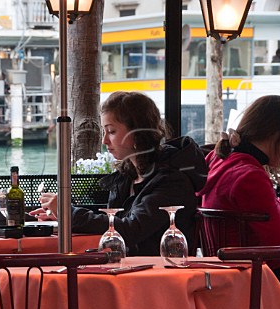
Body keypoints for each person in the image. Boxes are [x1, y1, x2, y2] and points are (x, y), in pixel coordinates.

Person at [30, 91, 207, 256]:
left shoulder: (171, 181)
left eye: (112, 131)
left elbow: (130, 229)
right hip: (126, 265)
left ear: (137, 133)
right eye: (105, 131)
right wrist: (64, 215)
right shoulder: (128, 175)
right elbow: (113, 218)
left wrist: (68, 212)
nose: (105, 140)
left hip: (158, 274)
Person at [198, 95, 280, 278]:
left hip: (226, 275)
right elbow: (277, 242)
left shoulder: (219, 161)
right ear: (276, 135)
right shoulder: (250, 177)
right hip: (257, 278)